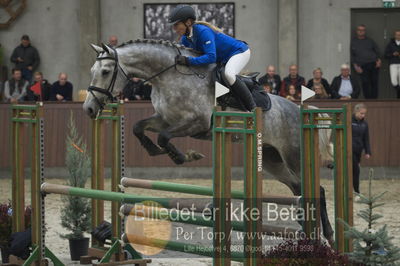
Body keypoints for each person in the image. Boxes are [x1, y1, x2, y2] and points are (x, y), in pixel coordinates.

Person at [168, 5, 256, 111]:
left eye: (177, 25)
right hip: (223, 58)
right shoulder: (185, 39)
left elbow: (211, 57)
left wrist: (188, 61)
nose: (174, 29)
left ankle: (252, 108)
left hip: (239, 52)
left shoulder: (203, 31)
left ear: (188, 22)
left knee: (229, 74)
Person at [351, 25, 381, 99]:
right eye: (359, 30)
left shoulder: (370, 40)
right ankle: (368, 100)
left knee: (374, 82)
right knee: (365, 83)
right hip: (362, 66)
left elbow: (377, 51)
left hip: (373, 64)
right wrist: (355, 66)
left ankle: (374, 100)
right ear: (357, 31)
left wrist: (379, 60)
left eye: (363, 30)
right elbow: (352, 55)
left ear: (365, 31)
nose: (361, 31)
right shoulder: (353, 41)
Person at [352, 103, 371, 194]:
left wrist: (368, 151)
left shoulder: (365, 124)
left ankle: (355, 190)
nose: (363, 115)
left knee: (355, 171)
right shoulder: (349, 121)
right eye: (361, 113)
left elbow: (366, 138)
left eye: (364, 114)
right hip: (349, 150)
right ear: (356, 112)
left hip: (358, 150)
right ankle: (356, 191)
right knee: (356, 170)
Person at [384, 30, 400, 98]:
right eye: (397, 34)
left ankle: (398, 97)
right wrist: (393, 54)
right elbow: (385, 55)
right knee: (394, 81)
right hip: (393, 63)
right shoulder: (390, 44)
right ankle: (398, 91)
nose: (398, 36)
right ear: (394, 35)